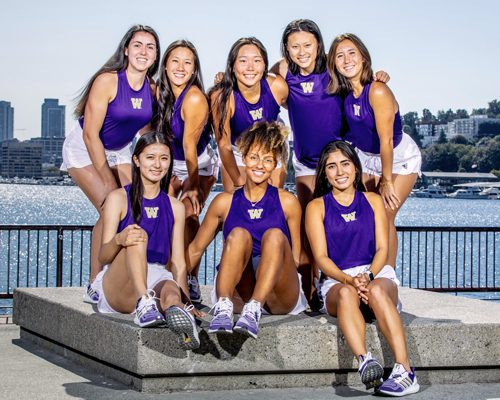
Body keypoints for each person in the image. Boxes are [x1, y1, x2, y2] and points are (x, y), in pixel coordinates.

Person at [271, 20, 391, 309]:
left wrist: (378, 76)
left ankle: (373, 285)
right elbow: (255, 75)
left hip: (340, 160)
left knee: (366, 220)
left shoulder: (333, 67)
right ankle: (310, 287)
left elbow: (358, 75)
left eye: (308, 45)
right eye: (295, 46)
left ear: (318, 45)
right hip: (306, 164)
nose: (302, 51)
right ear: (286, 49)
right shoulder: (284, 70)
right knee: (307, 227)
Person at [305, 141, 419, 396]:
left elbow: (382, 249)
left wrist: (367, 276)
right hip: (338, 280)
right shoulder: (316, 207)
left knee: (378, 291)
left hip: (375, 273)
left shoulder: (373, 201)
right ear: (324, 173)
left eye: (345, 164)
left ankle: (405, 371)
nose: (339, 171)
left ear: (356, 168)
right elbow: (321, 258)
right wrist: (349, 280)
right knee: (346, 295)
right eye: (331, 166)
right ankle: (365, 360)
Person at [61, 25, 160, 304]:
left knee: (134, 209)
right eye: (138, 45)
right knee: (110, 208)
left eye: (150, 47)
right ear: (126, 50)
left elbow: (146, 133)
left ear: (155, 56)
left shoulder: (152, 89)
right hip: (85, 147)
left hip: (121, 151)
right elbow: (91, 134)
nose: (143, 51)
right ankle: (95, 283)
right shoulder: (108, 81)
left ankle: (130, 275)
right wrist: (107, 180)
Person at [187, 121, 307, 339]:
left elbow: (297, 258)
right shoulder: (224, 202)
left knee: (274, 236)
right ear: (244, 158)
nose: (260, 165)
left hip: (278, 295)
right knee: (239, 234)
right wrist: (173, 289)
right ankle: (222, 306)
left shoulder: (288, 202)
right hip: (238, 294)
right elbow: (195, 250)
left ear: (275, 164)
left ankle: (255, 308)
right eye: (254, 157)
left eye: (268, 159)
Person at [93, 131, 201, 350]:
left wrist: (187, 301)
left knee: (171, 294)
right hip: (120, 280)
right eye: (150, 157)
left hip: (157, 274)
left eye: (164, 158)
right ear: (137, 160)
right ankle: (144, 303)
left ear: (170, 162)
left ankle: (181, 321)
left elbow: (179, 263)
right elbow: (103, 256)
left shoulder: (175, 207)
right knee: (137, 236)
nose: (158, 165)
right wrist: (120, 239)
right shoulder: (118, 198)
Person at [327, 33, 421, 268]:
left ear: (364, 58)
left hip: (397, 157)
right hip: (367, 159)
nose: (347, 59)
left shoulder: (377, 91)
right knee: (368, 217)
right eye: (340, 55)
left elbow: (386, 141)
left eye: (352, 53)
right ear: (334, 64)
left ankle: (386, 280)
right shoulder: (346, 95)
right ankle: (366, 271)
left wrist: (387, 180)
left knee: (386, 215)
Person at [156, 40, 218, 303]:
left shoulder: (193, 97)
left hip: (199, 165)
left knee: (190, 215)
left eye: (188, 62)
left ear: (194, 70)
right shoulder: (160, 93)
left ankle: (189, 277)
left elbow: (189, 146)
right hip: (173, 163)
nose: (180, 67)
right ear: (166, 66)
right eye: (175, 61)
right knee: (162, 216)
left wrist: (192, 185)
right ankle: (161, 274)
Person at [210, 37, 288, 193]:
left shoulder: (277, 87)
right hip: (237, 149)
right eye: (243, 61)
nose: (250, 67)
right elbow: (223, 144)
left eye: (257, 61)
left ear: (265, 65)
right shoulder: (222, 97)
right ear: (232, 66)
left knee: (270, 203)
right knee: (236, 203)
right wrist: (238, 182)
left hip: (271, 147)